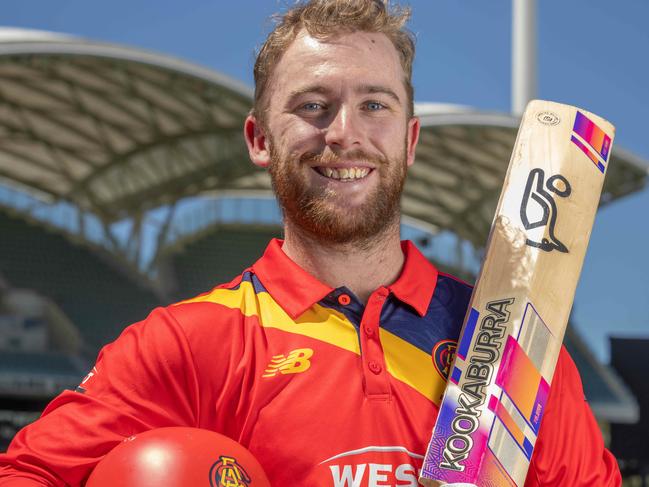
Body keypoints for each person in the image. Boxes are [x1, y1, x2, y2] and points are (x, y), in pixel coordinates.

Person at [0, 1, 621, 486]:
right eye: (313, 106)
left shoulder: (517, 351)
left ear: (410, 141)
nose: (344, 134)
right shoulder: (187, 344)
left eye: (374, 104)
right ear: (260, 138)